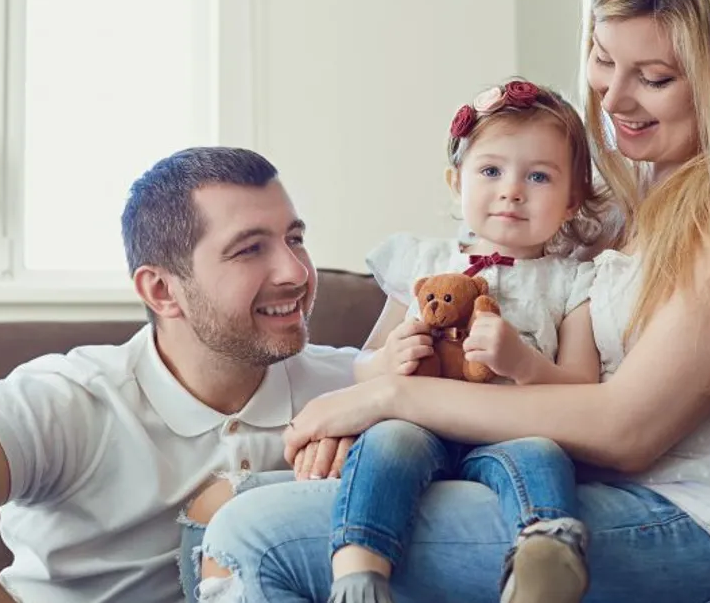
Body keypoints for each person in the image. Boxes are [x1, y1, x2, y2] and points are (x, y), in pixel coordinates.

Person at [191, 0, 710, 603]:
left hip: (699, 530)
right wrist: (374, 425)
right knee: (217, 513)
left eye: (653, 77)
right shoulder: (614, 202)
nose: (613, 98)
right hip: (580, 493)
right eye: (600, 57)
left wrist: (389, 396)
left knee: (253, 534)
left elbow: (626, 429)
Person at [0, 147, 359, 603]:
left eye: (295, 238)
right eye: (250, 249)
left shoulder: (351, 389)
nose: (295, 271)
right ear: (161, 290)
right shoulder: (74, 399)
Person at [192, 81, 618, 603]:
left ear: (573, 199)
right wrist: (390, 360)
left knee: (541, 455)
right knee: (386, 443)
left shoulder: (571, 282)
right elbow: (365, 369)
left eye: (538, 176)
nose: (512, 190)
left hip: (513, 430)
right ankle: (359, 572)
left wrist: (524, 363)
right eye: (490, 171)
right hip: (424, 427)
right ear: (455, 181)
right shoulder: (421, 263)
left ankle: (545, 554)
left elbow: (581, 387)